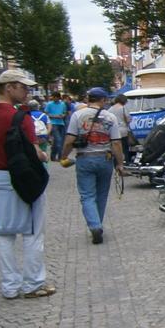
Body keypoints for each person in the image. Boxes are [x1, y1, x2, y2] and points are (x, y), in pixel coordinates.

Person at [0, 69, 54, 299]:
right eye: (23, 87)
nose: (27, 91)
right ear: (9, 88)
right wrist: (42, 156)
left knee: (3, 233)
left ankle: (9, 286)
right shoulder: (21, 118)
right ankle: (32, 283)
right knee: (32, 232)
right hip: (23, 179)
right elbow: (36, 152)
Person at [61, 87, 126, 245]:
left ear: (89, 99)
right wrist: (120, 163)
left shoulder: (78, 115)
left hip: (85, 158)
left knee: (87, 195)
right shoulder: (110, 117)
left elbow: (70, 140)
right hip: (105, 159)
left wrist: (63, 156)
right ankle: (98, 224)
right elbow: (116, 143)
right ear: (103, 100)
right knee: (101, 195)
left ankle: (94, 225)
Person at [108, 94, 136, 163]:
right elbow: (128, 119)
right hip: (123, 132)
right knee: (124, 149)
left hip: (112, 132)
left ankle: (116, 163)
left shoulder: (109, 109)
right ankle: (125, 162)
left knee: (115, 149)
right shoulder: (123, 108)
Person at [28, 99, 52, 164]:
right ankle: (44, 168)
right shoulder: (44, 115)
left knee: (33, 154)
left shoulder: (27, 115)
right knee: (43, 152)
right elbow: (49, 126)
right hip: (43, 137)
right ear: (38, 106)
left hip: (32, 138)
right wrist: (46, 135)